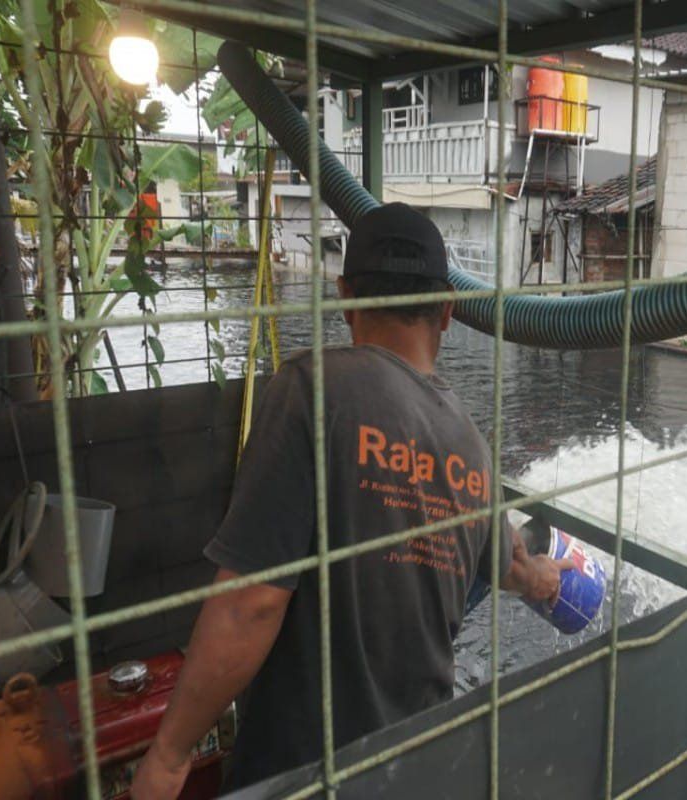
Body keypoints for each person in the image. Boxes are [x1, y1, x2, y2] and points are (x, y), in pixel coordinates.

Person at [132, 203, 572, 798]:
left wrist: (169, 754)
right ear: (446, 311)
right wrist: (548, 579)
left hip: (306, 772)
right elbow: (512, 567)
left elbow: (252, 604)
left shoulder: (312, 390)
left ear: (343, 296)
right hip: (417, 764)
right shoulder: (472, 443)